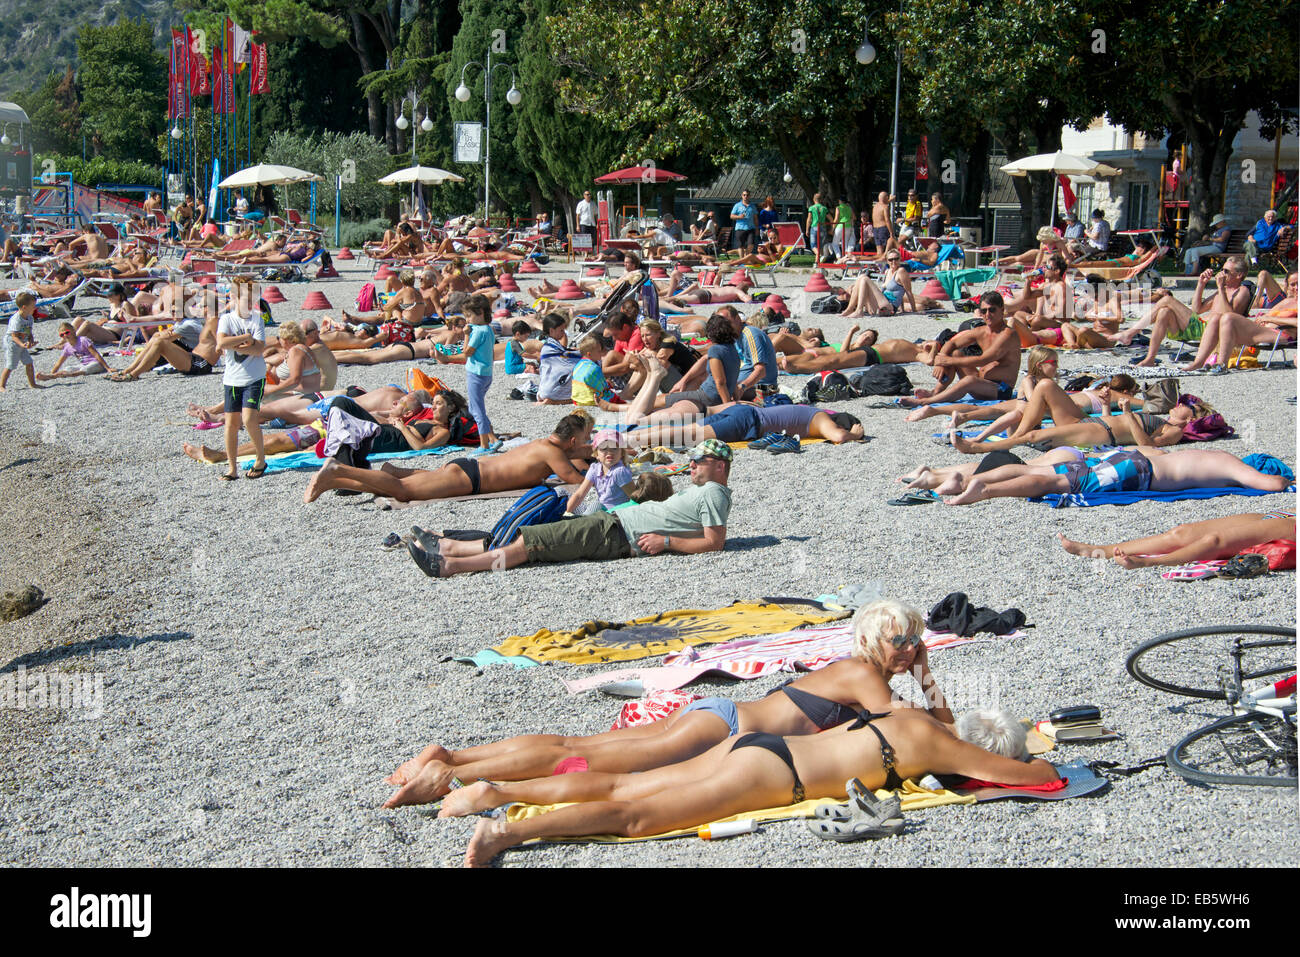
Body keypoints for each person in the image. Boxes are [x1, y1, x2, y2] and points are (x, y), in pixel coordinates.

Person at [383, 599, 953, 807]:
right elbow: (922, 729)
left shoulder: (855, 670)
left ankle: (455, 759)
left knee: (581, 746)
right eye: (898, 640)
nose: (906, 649)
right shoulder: (861, 675)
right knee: (594, 760)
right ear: (871, 641)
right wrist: (926, 678)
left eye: (913, 639)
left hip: (717, 719)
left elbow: (922, 725)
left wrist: (922, 666)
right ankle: (459, 776)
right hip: (719, 731)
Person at [440, 700, 1057, 866]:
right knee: (637, 818)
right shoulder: (947, 746)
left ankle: (498, 792)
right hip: (773, 776)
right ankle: (507, 833)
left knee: (624, 785)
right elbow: (1035, 777)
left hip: (756, 744)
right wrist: (1038, 755)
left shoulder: (913, 718)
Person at [406, 438, 733, 578]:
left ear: (719, 465)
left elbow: (714, 542)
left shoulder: (715, 492)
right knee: (532, 537)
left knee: (530, 544)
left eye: (698, 460)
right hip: (610, 524)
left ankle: (449, 565)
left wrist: (667, 542)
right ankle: (449, 546)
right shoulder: (704, 490)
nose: (690, 465)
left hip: (615, 533)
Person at [303, 412, 594, 504]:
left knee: (405, 485)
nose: (587, 444)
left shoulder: (543, 444)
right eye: (585, 439)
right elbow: (579, 482)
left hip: (467, 469)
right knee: (402, 492)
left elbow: (567, 462)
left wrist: (583, 451)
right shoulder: (553, 452)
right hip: (469, 479)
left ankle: (336, 480)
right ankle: (337, 468)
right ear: (571, 441)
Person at [937, 446, 1291, 506]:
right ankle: (984, 489)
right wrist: (1287, 483)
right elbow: (1269, 485)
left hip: (1129, 459)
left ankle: (968, 480)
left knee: (1044, 470)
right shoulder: (1230, 463)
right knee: (1055, 482)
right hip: (1138, 473)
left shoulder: (1206, 455)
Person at [952, 394, 1213, 454]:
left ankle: (977, 448)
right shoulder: (1165, 420)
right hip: (1096, 422)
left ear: (1191, 418)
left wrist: (1129, 414)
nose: (1179, 404)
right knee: (1044, 387)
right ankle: (1013, 437)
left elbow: (1147, 446)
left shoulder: (1175, 431)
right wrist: (1111, 405)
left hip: (1102, 433)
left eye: (1185, 406)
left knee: (1032, 437)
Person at [898, 291, 1020, 407]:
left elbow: (983, 360)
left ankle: (925, 402)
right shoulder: (981, 331)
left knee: (968, 380)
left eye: (992, 310)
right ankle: (936, 392)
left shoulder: (1007, 335)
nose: (987, 314)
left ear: (1002, 310)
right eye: (984, 311)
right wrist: (941, 361)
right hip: (981, 381)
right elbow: (951, 343)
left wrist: (946, 361)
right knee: (955, 353)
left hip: (1001, 390)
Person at [1059, 510, 1296, 569]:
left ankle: (1148, 562)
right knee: (1182, 533)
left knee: (1214, 540)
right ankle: (1102, 549)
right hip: (1288, 514)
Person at [215, 279, 268, 480]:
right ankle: (232, 467)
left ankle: (260, 459)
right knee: (231, 423)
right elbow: (221, 341)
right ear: (234, 298)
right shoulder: (227, 319)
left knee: (249, 418)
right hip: (232, 378)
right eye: (247, 300)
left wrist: (231, 344)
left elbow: (259, 348)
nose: (250, 304)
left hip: (254, 377)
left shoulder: (257, 319)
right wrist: (245, 339)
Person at [633, 402, 863, 447]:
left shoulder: (811, 410)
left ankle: (633, 435)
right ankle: (626, 441)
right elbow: (838, 437)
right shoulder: (821, 418)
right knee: (687, 434)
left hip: (744, 411)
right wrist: (854, 435)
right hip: (748, 421)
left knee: (683, 429)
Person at [460, 294, 501, 453]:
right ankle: (493, 439)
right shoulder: (488, 329)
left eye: (469, 315)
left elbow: (467, 352)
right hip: (486, 373)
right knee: (475, 407)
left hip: (475, 374)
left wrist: (466, 334)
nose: (467, 319)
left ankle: (484, 445)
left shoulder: (477, 332)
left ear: (480, 313)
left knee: (477, 410)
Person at [566, 428, 634, 512]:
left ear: (621, 453)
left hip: (615, 514)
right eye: (604, 448)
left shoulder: (619, 471)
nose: (609, 452)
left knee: (596, 504)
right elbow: (580, 494)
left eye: (614, 448)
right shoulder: (595, 468)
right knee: (564, 496)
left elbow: (634, 498)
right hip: (601, 510)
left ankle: (582, 521)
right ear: (596, 454)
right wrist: (567, 512)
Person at [37, 322, 113, 379]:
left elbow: (96, 354)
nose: (65, 335)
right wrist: (52, 372)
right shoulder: (67, 346)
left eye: (67, 332)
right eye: (62, 335)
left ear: (73, 331)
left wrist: (107, 368)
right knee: (68, 368)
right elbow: (59, 362)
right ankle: (52, 376)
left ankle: (69, 375)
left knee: (85, 369)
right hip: (84, 364)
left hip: (96, 363)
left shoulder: (83, 340)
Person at [1, 293, 42, 391]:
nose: (35, 308)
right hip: (12, 343)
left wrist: (31, 341)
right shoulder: (16, 319)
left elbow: (29, 332)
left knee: (29, 362)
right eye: (33, 306)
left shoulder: (30, 318)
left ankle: (33, 384)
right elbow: (14, 336)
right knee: (10, 365)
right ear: (24, 307)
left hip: (22, 343)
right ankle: (1, 385)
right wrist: (22, 344)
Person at [730, 189, 758, 253]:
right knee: (740, 245)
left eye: (747, 195)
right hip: (740, 228)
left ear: (749, 196)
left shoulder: (752, 206)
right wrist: (739, 217)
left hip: (751, 228)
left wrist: (757, 228)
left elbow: (755, 218)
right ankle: (741, 259)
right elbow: (731, 216)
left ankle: (746, 256)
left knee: (751, 245)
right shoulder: (737, 205)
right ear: (742, 196)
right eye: (744, 195)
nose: (745, 196)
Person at [806, 193, 828, 260]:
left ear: (813, 199)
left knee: (813, 246)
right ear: (821, 200)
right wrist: (832, 228)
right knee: (820, 246)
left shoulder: (811, 208)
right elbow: (830, 219)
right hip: (823, 227)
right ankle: (818, 262)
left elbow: (809, 219)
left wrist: (807, 229)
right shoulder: (824, 208)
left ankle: (818, 255)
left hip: (814, 227)